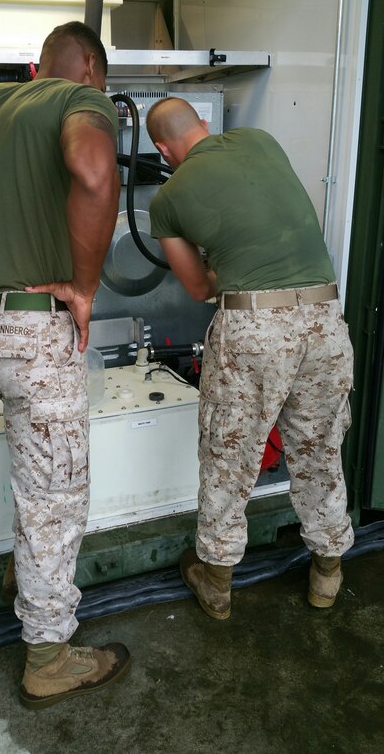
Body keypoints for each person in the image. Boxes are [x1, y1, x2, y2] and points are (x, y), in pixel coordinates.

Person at [0, 21, 131, 709]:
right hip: (31, 329)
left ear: (35, 64)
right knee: (56, 494)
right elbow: (91, 169)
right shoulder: (80, 100)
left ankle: (26, 578)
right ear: (87, 71)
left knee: (34, 465)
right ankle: (48, 656)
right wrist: (82, 285)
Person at [146, 97, 354, 620]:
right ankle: (328, 573)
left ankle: (215, 581)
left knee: (229, 454)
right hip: (326, 317)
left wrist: (227, 270)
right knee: (320, 448)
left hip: (254, 327)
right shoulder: (261, 140)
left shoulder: (167, 198)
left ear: (161, 149)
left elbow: (196, 287)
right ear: (206, 124)